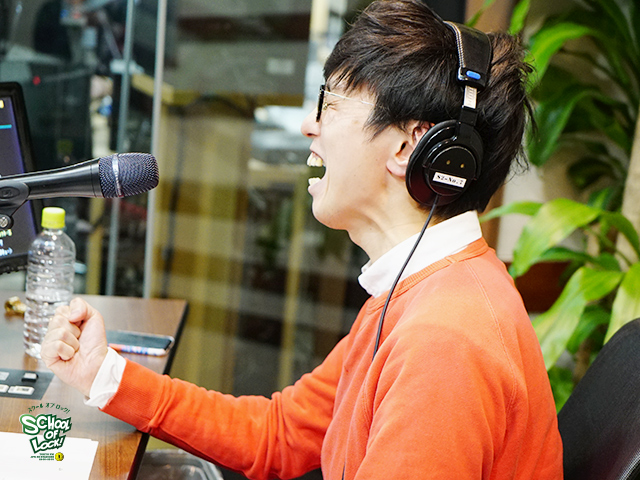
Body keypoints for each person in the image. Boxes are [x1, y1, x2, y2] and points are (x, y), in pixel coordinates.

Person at [41, 0, 564, 478]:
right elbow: (280, 434)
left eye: (330, 104)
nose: (308, 127)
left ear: (409, 146)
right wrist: (103, 374)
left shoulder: (445, 341)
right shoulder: (421, 292)